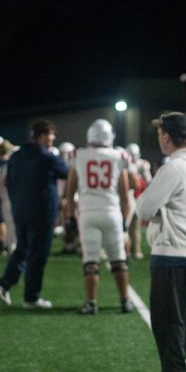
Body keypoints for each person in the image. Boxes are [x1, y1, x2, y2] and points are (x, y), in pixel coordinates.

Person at [134, 112, 186, 372]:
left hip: (172, 255)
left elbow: (143, 209)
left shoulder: (175, 167)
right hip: (183, 255)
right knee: (173, 323)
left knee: (168, 324)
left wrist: (154, 212)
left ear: (166, 136)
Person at [0, 120, 68, 310]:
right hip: (42, 210)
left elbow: (8, 182)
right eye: (51, 135)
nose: (53, 139)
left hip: (20, 209)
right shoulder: (46, 156)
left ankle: (4, 284)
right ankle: (31, 296)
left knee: (23, 248)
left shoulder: (16, 156)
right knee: (38, 253)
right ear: (42, 135)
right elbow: (66, 172)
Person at [66, 119, 133, 315]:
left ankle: (92, 302)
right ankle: (125, 301)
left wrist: (71, 215)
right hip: (111, 212)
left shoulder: (78, 155)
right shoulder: (119, 156)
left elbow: (70, 192)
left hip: (87, 213)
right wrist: (124, 221)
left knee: (90, 261)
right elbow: (125, 194)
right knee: (118, 259)